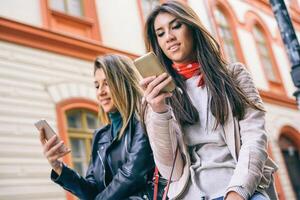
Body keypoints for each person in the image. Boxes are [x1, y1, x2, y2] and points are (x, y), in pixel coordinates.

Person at [140, 1, 278, 200]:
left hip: (241, 188)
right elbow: (172, 170)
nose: (169, 37)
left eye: (176, 26)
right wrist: (159, 111)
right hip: (190, 194)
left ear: (192, 28)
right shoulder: (157, 96)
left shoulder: (234, 76)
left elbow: (254, 139)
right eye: (160, 33)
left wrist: (238, 191)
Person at [39, 54, 155, 200]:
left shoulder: (144, 123)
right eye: (97, 85)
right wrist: (59, 167)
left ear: (124, 83)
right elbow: (92, 190)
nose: (101, 92)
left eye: (107, 83)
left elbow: (131, 176)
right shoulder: (100, 136)